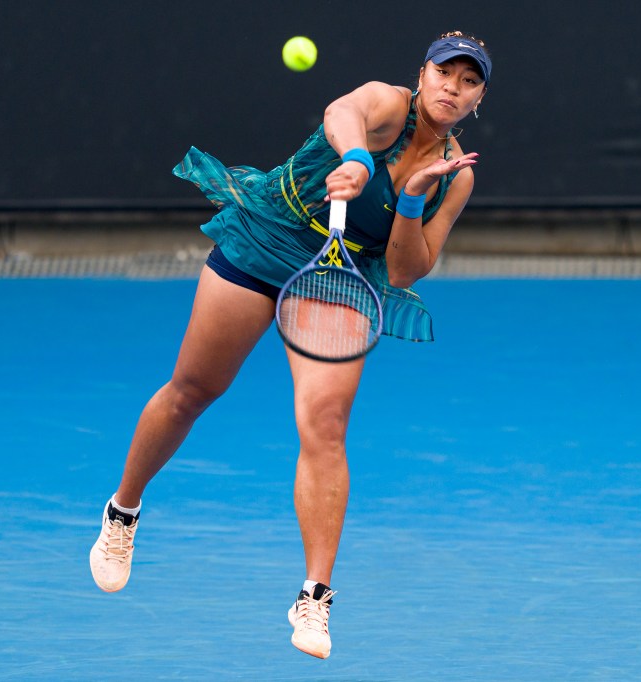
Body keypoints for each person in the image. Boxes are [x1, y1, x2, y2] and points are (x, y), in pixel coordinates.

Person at [89, 30, 491, 659]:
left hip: (339, 273)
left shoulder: (453, 179)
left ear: (477, 100)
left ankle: (315, 598)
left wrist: (411, 199)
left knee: (326, 425)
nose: (453, 88)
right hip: (269, 233)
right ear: (423, 76)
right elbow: (343, 111)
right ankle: (122, 512)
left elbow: (409, 269)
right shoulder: (388, 105)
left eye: (469, 83)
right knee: (193, 390)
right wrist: (359, 158)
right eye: (446, 74)